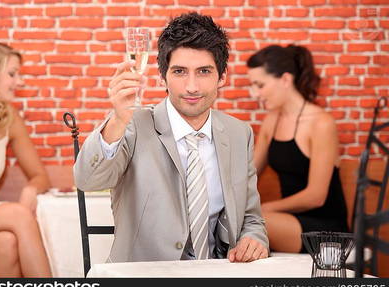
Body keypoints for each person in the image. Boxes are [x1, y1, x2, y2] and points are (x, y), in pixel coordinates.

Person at [74, 12, 268, 263]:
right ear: (162, 76)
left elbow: (251, 218)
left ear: (222, 77)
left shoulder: (239, 133)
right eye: (179, 72)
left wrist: (254, 239)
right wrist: (117, 120)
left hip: (217, 274)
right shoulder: (132, 125)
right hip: (146, 280)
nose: (191, 87)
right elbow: (87, 180)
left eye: (204, 71)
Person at [247, 44, 349, 253]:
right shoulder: (271, 121)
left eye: (260, 85)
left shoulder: (321, 123)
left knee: (257, 221)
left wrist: (265, 208)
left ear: (285, 79)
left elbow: (316, 195)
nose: (254, 94)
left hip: (327, 229)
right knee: (236, 220)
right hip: (286, 221)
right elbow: (251, 175)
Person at [0, 39, 52, 277]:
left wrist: (30, 189)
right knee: (18, 214)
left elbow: (40, 176)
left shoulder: (8, 118)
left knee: (7, 243)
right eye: (12, 74)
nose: (20, 82)